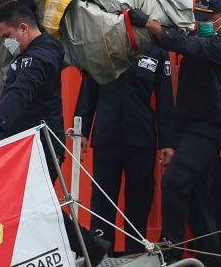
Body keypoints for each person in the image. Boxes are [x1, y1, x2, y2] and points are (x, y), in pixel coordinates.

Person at [0, 0, 110, 266]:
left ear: (22, 30)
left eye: (8, 35)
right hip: (22, 146)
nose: (7, 42)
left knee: (35, 203)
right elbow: (27, 17)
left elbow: (21, 93)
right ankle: (85, 245)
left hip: (39, 147)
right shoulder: (33, 43)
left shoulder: (39, 58)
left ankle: (89, 245)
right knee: (25, 203)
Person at [128, 0, 221, 266]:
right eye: (198, 17)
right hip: (194, 130)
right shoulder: (204, 35)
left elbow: (184, 45)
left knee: (174, 182)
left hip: (210, 132)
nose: (201, 22)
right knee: (199, 200)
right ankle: (212, 259)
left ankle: (170, 249)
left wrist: (149, 24)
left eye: (207, 18)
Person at [74, 46, 175, 255]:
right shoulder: (101, 40)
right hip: (107, 137)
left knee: (139, 202)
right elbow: (89, 88)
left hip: (141, 139)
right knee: (103, 201)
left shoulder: (156, 49)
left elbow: (165, 96)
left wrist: (167, 141)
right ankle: (99, 254)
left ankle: (135, 254)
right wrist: (81, 131)